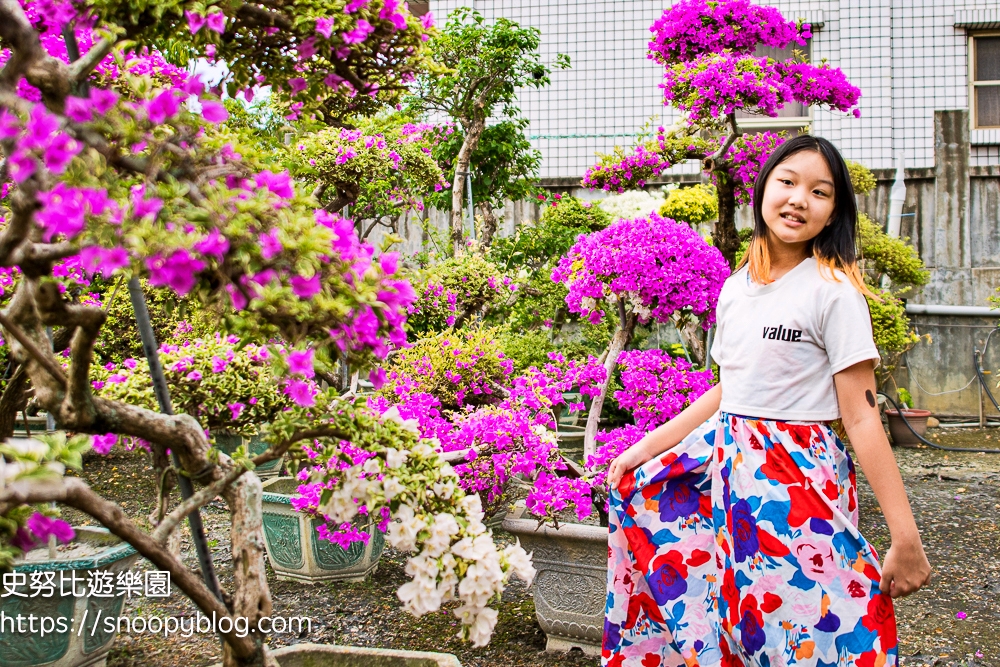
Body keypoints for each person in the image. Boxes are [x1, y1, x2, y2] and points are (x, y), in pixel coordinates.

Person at [601, 135, 932, 667]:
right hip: (731, 473)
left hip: (798, 480)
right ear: (762, 190)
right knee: (742, 619)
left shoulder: (833, 293)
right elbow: (730, 389)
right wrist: (646, 447)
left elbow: (862, 416)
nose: (800, 199)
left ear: (834, 213)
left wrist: (905, 535)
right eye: (788, 182)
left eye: (820, 191)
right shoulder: (735, 290)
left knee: (819, 622)